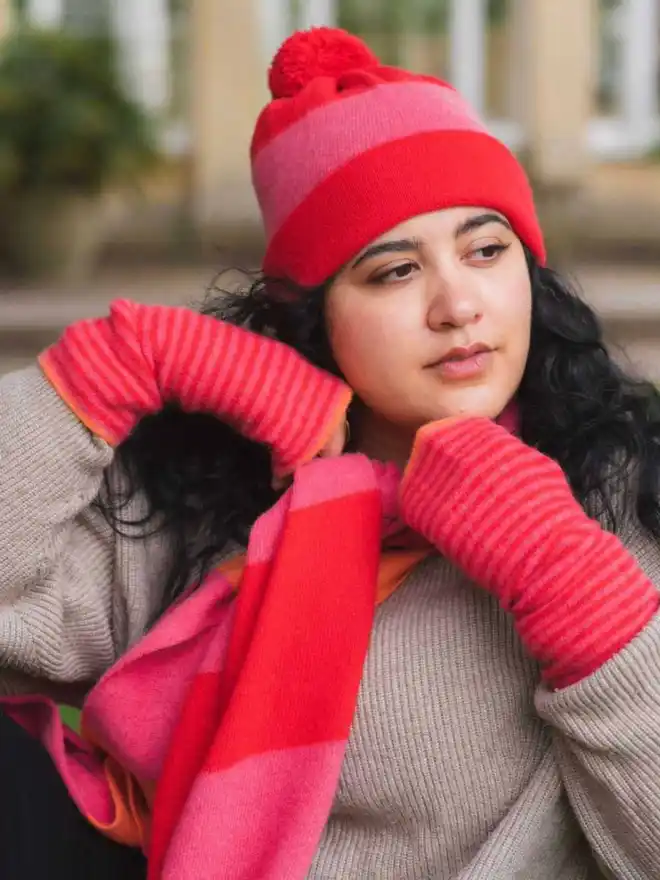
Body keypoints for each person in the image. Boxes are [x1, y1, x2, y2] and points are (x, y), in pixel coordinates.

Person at [1, 25, 660, 880]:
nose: (458, 304)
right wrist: (122, 365)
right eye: (394, 271)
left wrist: (567, 580)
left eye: (486, 249)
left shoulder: (622, 495)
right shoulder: (211, 497)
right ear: (312, 315)